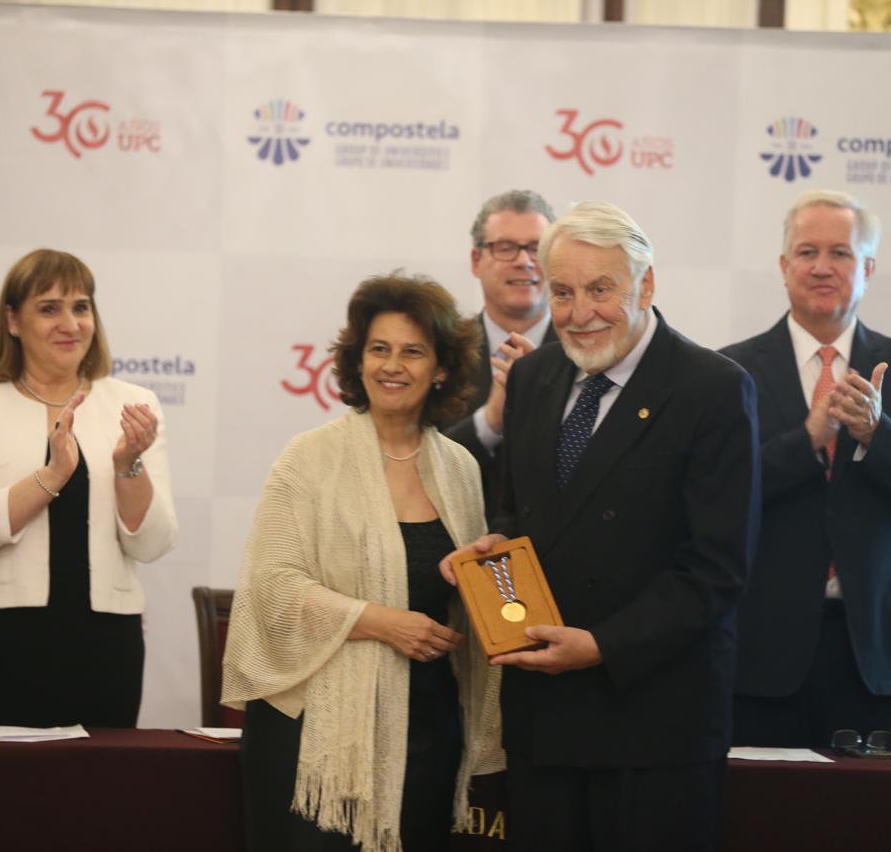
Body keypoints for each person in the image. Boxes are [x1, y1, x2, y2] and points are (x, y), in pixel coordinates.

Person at [441, 201, 759, 851]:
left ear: (646, 284)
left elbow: (717, 568)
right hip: (543, 717)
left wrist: (602, 645)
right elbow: (516, 509)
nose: (580, 312)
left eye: (600, 289)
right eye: (563, 292)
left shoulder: (712, 388)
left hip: (653, 722)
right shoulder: (532, 376)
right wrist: (495, 547)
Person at [222, 274, 504, 852]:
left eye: (412, 351)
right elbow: (272, 588)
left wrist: (486, 572)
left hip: (426, 727)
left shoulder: (461, 470)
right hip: (315, 738)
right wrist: (379, 621)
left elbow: (473, 595)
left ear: (442, 368)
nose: (391, 366)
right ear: (357, 361)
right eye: (379, 349)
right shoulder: (309, 458)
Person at [721, 190, 891, 749]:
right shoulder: (729, 371)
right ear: (784, 267)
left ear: (867, 267)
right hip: (763, 649)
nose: (821, 267)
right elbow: (717, 496)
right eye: (806, 251)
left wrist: (877, 435)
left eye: (839, 252)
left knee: (868, 822)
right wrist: (808, 439)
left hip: (872, 654)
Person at [0, 249, 177, 728]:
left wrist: (129, 465)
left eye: (81, 307)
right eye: (49, 308)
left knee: (93, 795)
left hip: (104, 642)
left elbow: (153, 544)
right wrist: (50, 479)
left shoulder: (133, 403)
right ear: (13, 320)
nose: (71, 323)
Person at [440, 190, 558, 513]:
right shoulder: (442, 352)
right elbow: (421, 462)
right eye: (506, 248)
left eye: (537, 248)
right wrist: (489, 422)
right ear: (476, 261)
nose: (524, 261)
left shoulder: (584, 354)